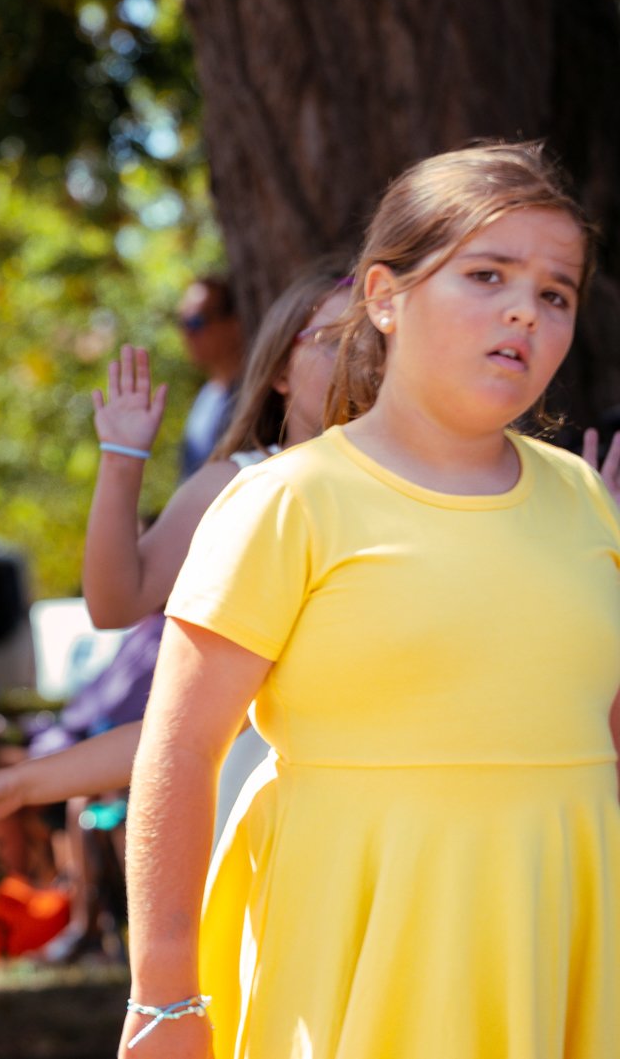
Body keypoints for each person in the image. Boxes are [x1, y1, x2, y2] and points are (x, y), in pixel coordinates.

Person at [120, 142, 620, 1057]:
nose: (525, 308)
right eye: (487, 273)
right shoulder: (288, 498)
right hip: (355, 965)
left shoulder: (587, 498)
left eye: (557, 292)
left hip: (565, 951)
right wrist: (163, 997)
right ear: (384, 297)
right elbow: (180, 750)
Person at [0, 263, 353, 856]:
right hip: (273, 821)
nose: (360, 359)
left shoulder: (432, 494)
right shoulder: (238, 484)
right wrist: (123, 459)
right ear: (279, 368)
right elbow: (116, 607)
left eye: (376, 341)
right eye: (334, 341)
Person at [173, 273, 243, 479]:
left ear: (233, 323)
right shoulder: (206, 397)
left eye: (196, 322)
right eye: (182, 323)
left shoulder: (260, 395)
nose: (187, 333)